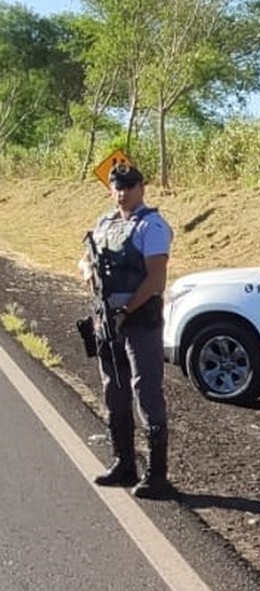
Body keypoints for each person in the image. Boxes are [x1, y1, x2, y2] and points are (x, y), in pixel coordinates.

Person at [84, 162, 174, 498]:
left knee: (146, 391)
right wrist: (87, 272)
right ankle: (124, 463)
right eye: (117, 187)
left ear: (141, 188)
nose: (122, 194)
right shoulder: (105, 223)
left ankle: (157, 475)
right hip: (107, 319)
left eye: (129, 187)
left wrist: (126, 310)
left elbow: (155, 279)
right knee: (114, 389)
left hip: (138, 319)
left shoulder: (151, 226)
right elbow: (88, 260)